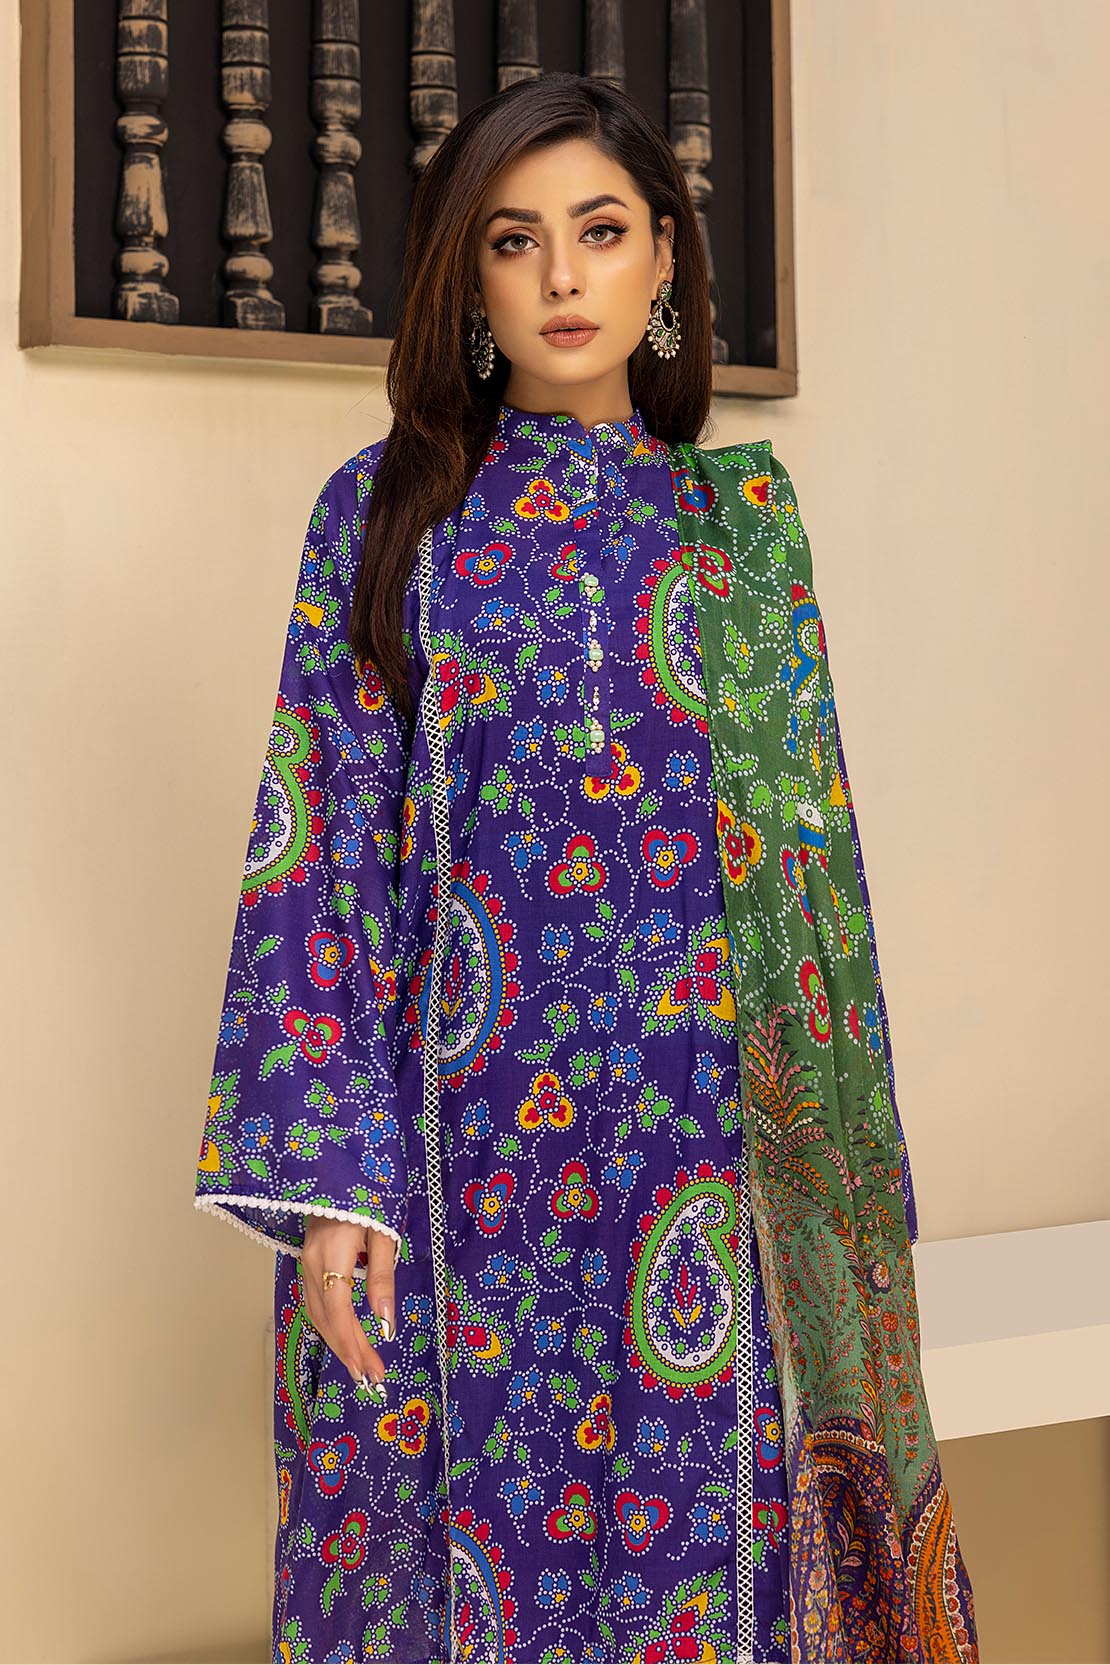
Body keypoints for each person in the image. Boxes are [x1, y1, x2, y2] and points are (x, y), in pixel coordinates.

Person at [194, 70, 978, 1665]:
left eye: (601, 231)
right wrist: (340, 1183)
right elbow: (319, 847)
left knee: (708, 1565)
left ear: (664, 258)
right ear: (468, 279)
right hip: (457, 1160)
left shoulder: (740, 534)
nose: (561, 276)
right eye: (514, 240)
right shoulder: (387, 514)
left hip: (706, 1153)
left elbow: (811, 905)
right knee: (452, 1560)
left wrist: (832, 1206)